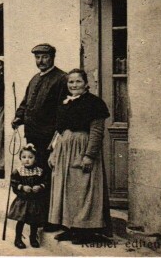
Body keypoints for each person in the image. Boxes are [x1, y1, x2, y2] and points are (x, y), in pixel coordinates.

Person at [48, 69, 112, 245]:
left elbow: (97, 132)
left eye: (78, 81)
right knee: (66, 189)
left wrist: (89, 156)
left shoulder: (94, 103)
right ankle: (70, 227)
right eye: (71, 82)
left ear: (86, 83)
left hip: (82, 149)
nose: (74, 85)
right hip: (64, 150)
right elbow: (59, 131)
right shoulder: (65, 102)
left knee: (82, 190)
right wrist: (53, 152)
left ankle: (84, 230)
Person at [11, 43, 68, 230]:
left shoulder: (61, 79)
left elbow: (62, 110)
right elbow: (26, 102)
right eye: (37, 57)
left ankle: (51, 219)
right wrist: (18, 117)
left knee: (47, 176)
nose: (40, 61)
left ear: (52, 57)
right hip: (33, 136)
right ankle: (36, 215)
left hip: (49, 139)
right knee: (35, 176)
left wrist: (56, 136)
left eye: (44, 57)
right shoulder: (35, 78)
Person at [8, 143, 48, 249]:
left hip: (35, 200)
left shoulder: (39, 171)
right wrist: (22, 187)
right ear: (20, 158)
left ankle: (33, 237)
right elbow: (14, 183)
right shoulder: (18, 171)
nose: (27, 160)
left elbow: (46, 182)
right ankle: (18, 239)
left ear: (35, 159)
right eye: (24, 157)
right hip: (23, 200)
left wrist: (40, 186)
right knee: (21, 220)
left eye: (30, 157)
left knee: (34, 221)